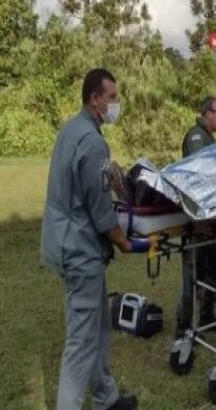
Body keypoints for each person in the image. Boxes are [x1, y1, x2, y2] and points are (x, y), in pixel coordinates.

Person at [41, 68, 145, 410]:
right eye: (112, 97)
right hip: (80, 251)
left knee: (98, 326)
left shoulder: (72, 130)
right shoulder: (92, 141)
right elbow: (102, 212)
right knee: (80, 344)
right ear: (95, 98)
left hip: (64, 243)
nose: (116, 103)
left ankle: (106, 398)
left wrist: (110, 170)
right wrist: (124, 241)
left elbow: (85, 178)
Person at [177, 96, 216, 334]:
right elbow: (200, 169)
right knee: (191, 273)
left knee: (212, 266)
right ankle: (183, 326)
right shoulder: (196, 136)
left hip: (208, 216)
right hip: (196, 217)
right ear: (208, 113)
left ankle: (206, 315)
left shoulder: (209, 137)